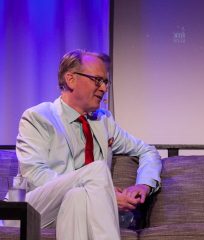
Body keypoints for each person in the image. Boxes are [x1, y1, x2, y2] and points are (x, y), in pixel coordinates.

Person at [15, 49, 162, 239]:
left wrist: (143, 185)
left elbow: (147, 151)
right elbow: (35, 175)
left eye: (106, 82)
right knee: (97, 170)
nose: (104, 88)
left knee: (77, 198)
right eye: (97, 80)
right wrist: (103, 194)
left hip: (76, 207)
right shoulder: (38, 117)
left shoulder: (104, 121)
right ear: (70, 79)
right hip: (37, 210)